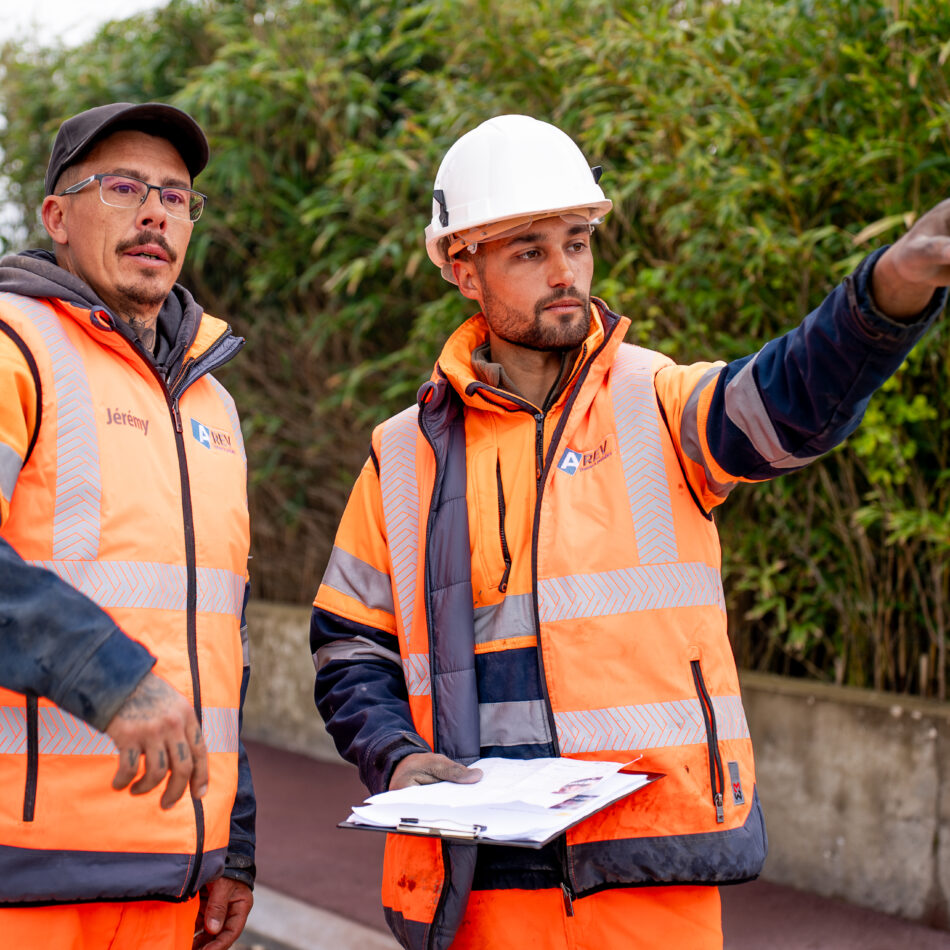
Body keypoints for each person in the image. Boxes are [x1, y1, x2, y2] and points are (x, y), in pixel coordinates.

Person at [310, 114, 948, 950]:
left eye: (577, 241)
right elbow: (348, 649)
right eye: (529, 250)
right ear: (463, 268)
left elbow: (791, 398)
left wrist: (887, 292)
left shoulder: (660, 403)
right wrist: (393, 754)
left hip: (647, 876)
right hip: (477, 887)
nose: (565, 270)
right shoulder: (402, 454)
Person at [0, 102, 255, 950]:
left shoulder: (212, 401)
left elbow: (221, 645)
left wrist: (235, 845)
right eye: (122, 187)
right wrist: (108, 674)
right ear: (57, 218)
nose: (155, 212)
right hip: (27, 877)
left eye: (176, 197)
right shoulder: (12, 345)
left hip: (172, 879)